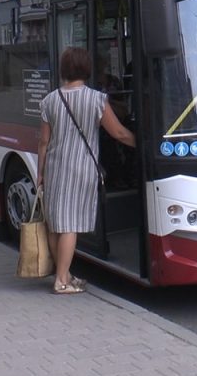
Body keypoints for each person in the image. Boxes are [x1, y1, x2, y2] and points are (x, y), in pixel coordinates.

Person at [37, 47, 136, 294]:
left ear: (64, 70)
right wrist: (142, 144)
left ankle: (66, 274)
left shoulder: (50, 100)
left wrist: (40, 173)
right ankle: (61, 281)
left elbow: (43, 142)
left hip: (55, 167)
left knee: (55, 224)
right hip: (82, 168)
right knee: (70, 225)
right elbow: (118, 133)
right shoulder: (96, 99)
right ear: (86, 69)